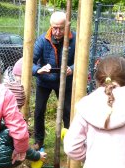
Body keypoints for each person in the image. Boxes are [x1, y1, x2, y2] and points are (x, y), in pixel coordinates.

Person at [32, 11, 76, 150]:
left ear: (67, 26)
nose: (57, 32)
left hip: (65, 81)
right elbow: (29, 62)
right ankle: (38, 141)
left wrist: (72, 68)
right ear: (51, 26)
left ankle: (69, 142)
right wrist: (38, 70)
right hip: (44, 81)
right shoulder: (42, 40)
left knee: (67, 112)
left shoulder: (74, 40)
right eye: (54, 28)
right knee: (39, 111)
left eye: (61, 28)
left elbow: (81, 60)